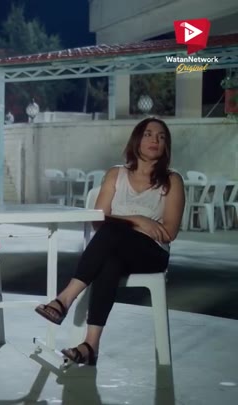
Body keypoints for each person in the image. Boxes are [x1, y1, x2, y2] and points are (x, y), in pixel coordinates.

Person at [34, 117, 185, 365]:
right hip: (115, 247)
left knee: (113, 229)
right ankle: (90, 346)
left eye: (161, 137)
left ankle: (65, 299)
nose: (155, 140)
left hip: (152, 253)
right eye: (148, 134)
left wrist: (125, 223)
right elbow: (98, 220)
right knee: (110, 261)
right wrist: (139, 220)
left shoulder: (172, 180)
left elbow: (169, 232)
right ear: (137, 140)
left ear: (166, 145)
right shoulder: (116, 174)